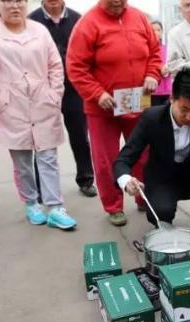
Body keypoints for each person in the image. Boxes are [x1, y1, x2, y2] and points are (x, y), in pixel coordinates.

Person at [0, 0, 77, 230]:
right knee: (22, 162)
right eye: (8, 1)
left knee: (48, 157)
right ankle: (31, 203)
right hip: (11, 105)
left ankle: (55, 207)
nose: (14, 6)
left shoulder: (39, 31)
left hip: (43, 102)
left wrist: (54, 94)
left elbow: (55, 65)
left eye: (19, 0)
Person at [114, 69, 190, 256]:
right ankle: (164, 226)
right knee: (161, 212)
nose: (189, 118)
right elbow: (124, 158)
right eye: (184, 110)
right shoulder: (151, 118)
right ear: (172, 98)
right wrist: (126, 180)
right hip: (163, 177)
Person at [67, 0, 161, 227]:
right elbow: (75, 66)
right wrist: (97, 93)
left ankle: (142, 197)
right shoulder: (87, 24)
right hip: (103, 107)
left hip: (136, 101)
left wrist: (152, 74)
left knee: (143, 153)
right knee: (106, 159)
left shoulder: (139, 18)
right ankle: (114, 206)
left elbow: (155, 51)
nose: (117, 3)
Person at [28, 0, 97, 198]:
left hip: (74, 89)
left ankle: (86, 179)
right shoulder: (32, 21)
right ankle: (42, 185)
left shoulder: (78, 19)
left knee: (80, 137)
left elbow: (88, 53)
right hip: (42, 89)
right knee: (42, 138)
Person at [151, 20, 172, 107]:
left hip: (167, 90)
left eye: (159, 30)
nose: (156, 32)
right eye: (153, 30)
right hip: (152, 91)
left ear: (162, 32)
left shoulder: (168, 49)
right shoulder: (146, 50)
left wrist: (169, 69)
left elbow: (174, 64)